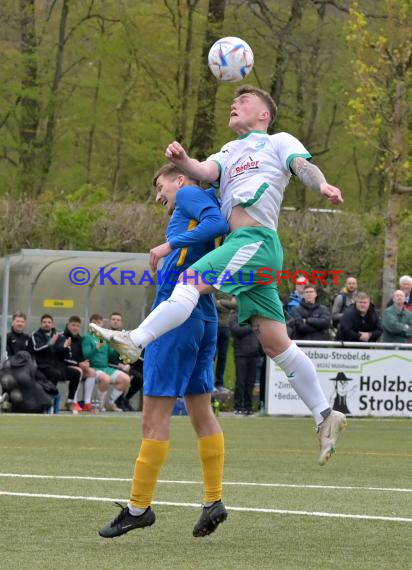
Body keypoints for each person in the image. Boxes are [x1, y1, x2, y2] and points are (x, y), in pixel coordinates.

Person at [91, 84, 347, 469]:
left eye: (243, 101)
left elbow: (303, 166)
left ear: (263, 114)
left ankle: (136, 339)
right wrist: (183, 159)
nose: (234, 104)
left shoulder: (277, 141)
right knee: (276, 343)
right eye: (234, 100)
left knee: (189, 280)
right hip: (249, 251)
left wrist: (321, 184)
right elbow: (203, 172)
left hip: (254, 239)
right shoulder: (227, 152)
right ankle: (326, 414)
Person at [98, 164, 229, 539]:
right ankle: (213, 500)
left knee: (153, 419)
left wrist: (168, 245)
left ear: (180, 179)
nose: (159, 196)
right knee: (202, 414)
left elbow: (218, 225)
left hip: (178, 318)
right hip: (203, 315)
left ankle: (138, 508)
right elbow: (218, 225)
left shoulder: (190, 194)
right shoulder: (202, 200)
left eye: (160, 186)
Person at [32, 314, 80, 412]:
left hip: (58, 365)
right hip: (43, 366)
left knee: (76, 373)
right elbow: (37, 349)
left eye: (49, 322)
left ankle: (70, 401)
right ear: (41, 324)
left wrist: (65, 347)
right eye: (44, 322)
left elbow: (62, 353)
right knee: (55, 374)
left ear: (53, 324)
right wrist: (49, 344)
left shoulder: (59, 336)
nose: (47, 324)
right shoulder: (36, 335)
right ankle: (49, 402)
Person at [82, 314, 130, 412]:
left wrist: (117, 347)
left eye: (98, 323)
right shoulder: (87, 337)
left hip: (105, 368)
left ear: (102, 324)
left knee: (125, 379)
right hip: (93, 368)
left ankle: (110, 403)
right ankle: (100, 404)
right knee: (105, 379)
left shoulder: (103, 337)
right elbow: (86, 355)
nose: (96, 325)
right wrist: (97, 347)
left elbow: (111, 356)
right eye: (94, 323)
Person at [55, 316, 96, 412]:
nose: (75, 328)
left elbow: (82, 356)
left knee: (92, 372)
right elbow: (62, 357)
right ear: (68, 325)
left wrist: (86, 363)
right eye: (73, 325)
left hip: (76, 365)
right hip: (62, 366)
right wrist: (79, 364)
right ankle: (73, 401)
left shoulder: (80, 339)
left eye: (77, 326)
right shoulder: (61, 337)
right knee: (78, 371)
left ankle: (87, 403)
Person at [109, 312, 143, 411]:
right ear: (110, 321)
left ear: (121, 323)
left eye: (118, 320)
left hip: (126, 366)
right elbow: (107, 355)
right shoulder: (105, 335)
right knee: (125, 375)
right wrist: (118, 365)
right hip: (111, 366)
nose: (115, 322)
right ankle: (116, 401)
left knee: (140, 378)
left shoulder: (125, 336)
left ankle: (125, 400)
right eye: (113, 319)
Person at [229, 313, 261, 415]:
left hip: (255, 354)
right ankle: (238, 407)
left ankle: (248, 407)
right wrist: (252, 326)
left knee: (250, 383)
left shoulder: (256, 317)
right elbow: (236, 331)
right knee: (240, 382)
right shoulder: (235, 316)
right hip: (241, 354)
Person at [214, 292, 237, 392]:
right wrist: (228, 305)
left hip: (226, 327)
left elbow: (236, 305)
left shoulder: (231, 288)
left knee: (223, 356)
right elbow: (214, 303)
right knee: (211, 356)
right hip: (215, 326)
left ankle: (219, 384)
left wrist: (221, 302)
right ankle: (210, 384)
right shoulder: (214, 286)